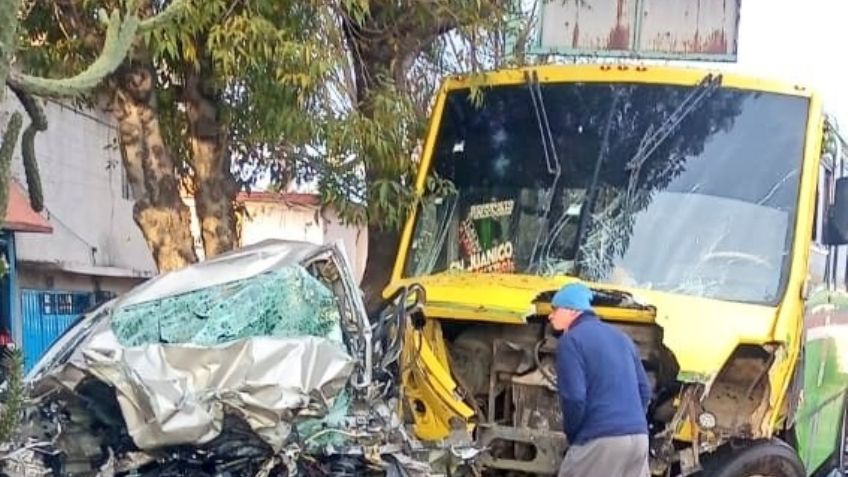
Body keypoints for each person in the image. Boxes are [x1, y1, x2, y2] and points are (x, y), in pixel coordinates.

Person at [549, 282, 651, 477]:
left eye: (555, 309)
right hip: (639, 440)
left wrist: (574, 436)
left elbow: (574, 398)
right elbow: (644, 390)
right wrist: (630, 423)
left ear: (572, 311)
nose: (550, 315)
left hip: (601, 441)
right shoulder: (622, 338)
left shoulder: (571, 341)